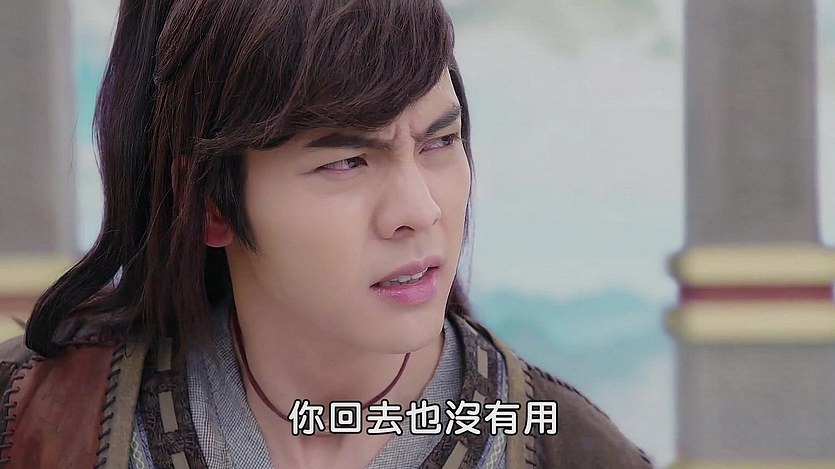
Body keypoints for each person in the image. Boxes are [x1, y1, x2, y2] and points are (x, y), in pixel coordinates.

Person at [0, 1, 652, 468]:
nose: (419, 210)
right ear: (207, 203)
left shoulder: (566, 446)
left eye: (440, 142)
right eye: (346, 161)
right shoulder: (36, 419)